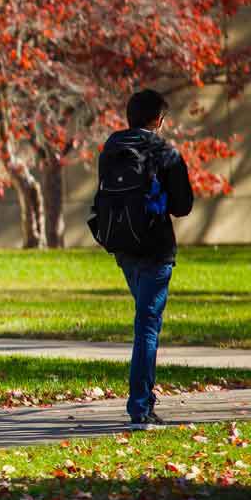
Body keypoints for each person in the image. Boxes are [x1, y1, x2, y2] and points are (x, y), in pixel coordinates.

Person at [100, 89, 193, 430]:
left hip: (123, 247)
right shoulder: (164, 151)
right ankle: (140, 407)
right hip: (156, 249)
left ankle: (143, 403)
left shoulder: (112, 147)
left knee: (145, 320)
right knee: (147, 325)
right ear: (159, 120)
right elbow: (183, 206)